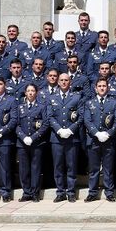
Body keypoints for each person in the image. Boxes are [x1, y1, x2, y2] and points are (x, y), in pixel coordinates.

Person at [47, 72, 82, 202]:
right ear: (58, 82)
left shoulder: (76, 97)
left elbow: (80, 117)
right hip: (56, 138)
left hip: (72, 138)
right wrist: (59, 129)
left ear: (70, 82)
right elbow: (49, 117)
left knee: (71, 166)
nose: (63, 82)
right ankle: (60, 192)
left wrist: (70, 130)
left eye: (66, 80)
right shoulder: (52, 97)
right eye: (61, 80)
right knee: (58, 166)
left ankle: (71, 192)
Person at [84, 78, 116, 202]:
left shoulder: (114, 103)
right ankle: (92, 192)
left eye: (104, 86)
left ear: (108, 88)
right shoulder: (89, 103)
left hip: (108, 140)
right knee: (93, 169)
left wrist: (108, 134)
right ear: (95, 88)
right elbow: (87, 120)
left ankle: (109, 192)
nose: (102, 88)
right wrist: (97, 133)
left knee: (108, 168)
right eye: (99, 86)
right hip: (94, 140)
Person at [15, 84, 47, 202]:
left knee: (36, 168)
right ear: (25, 93)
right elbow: (16, 125)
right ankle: (26, 192)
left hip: (37, 142)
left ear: (36, 92)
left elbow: (45, 124)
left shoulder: (42, 107)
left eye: (32, 91)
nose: (30, 93)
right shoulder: (20, 107)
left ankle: (35, 192)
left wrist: (33, 137)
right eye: (28, 91)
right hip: (22, 143)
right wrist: (23, 137)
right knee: (24, 169)